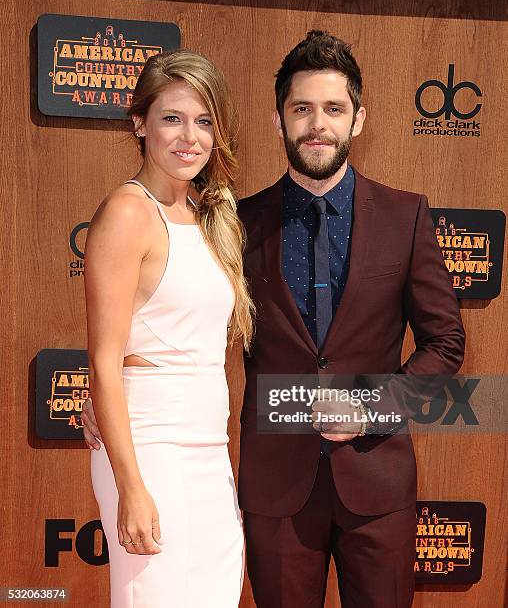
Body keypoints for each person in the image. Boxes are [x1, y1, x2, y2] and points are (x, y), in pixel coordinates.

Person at [84, 31, 465, 607]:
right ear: (278, 120)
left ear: (357, 120)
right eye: (302, 109)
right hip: (273, 489)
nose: (318, 124)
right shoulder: (235, 223)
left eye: (334, 109)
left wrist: (371, 406)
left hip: (377, 483)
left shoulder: (405, 215)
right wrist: (115, 386)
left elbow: (445, 343)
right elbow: (166, 313)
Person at [84, 49, 253, 608]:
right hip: (150, 451)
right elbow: (105, 361)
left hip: (207, 451)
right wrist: (131, 485)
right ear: (140, 123)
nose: (190, 137)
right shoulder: (128, 213)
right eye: (172, 118)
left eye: (204, 121)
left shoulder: (208, 216)